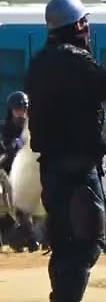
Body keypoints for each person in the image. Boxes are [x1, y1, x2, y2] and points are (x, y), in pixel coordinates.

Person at [24, 0, 106, 302]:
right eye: (85, 22)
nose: (88, 29)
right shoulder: (74, 60)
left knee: (66, 240)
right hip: (76, 165)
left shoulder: (41, 61)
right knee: (87, 239)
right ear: (77, 25)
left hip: (53, 165)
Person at [0, 91, 40, 253]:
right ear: (10, 110)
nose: (20, 112)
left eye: (23, 109)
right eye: (17, 109)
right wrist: (11, 148)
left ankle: (27, 237)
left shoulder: (32, 128)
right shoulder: (4, 129)